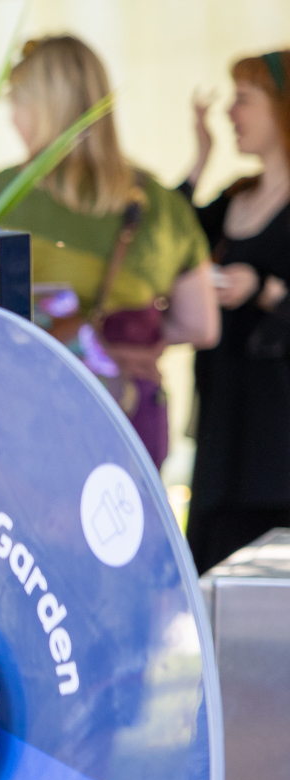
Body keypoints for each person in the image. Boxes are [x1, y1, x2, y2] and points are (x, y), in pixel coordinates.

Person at [0, 35, 217, 467]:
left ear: (44, 107)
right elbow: (201, 326)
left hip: (25, 420)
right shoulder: (163, 206)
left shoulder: (0, 196)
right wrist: (120, 342)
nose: (14, 118)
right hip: (126, 414)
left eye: (18, 102)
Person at [188, 50, 290, 572]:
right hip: (222, 436)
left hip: (277, 450)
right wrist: (200, 157)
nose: (231, 112)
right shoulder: (233, 199)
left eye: (244, 100)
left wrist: (265, 290)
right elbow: (162, 241)